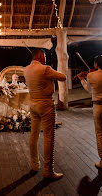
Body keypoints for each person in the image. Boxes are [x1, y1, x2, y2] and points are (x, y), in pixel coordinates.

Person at [24, 49, 67, 180]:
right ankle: (48, 170)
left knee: (34, 134)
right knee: (49, 137)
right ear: (41, 56)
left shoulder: (26, 69)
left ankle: (34, 164)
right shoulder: (45, 69)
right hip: (45, 104)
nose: (46, 58)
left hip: (33, 104)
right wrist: (50, 69)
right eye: (45, 56)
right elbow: (63, 77)